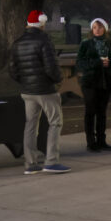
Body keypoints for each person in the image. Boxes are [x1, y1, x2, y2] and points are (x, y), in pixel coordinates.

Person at [9, 10, 69, 174]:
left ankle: (30, 163)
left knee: (30, 125)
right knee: (55, 122)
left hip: (27, 91)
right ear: (42, 23)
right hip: (45, 89)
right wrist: (59, 79)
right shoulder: (44, 40)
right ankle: (51, 161)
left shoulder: (18, 42)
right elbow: (51, 67)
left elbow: (13, 70)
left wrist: (25, 82)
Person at [76, 18, 111, 152]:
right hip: (90, 82)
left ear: (105, 29)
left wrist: (110, 63)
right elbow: (80, 63)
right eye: (94, 27)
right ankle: (91, 142)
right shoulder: (86, 44)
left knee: (102, 112)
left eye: (100, 27)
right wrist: (96, 63)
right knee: (90, 111)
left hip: (106, 82)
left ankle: (101, 140)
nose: (97, 30)